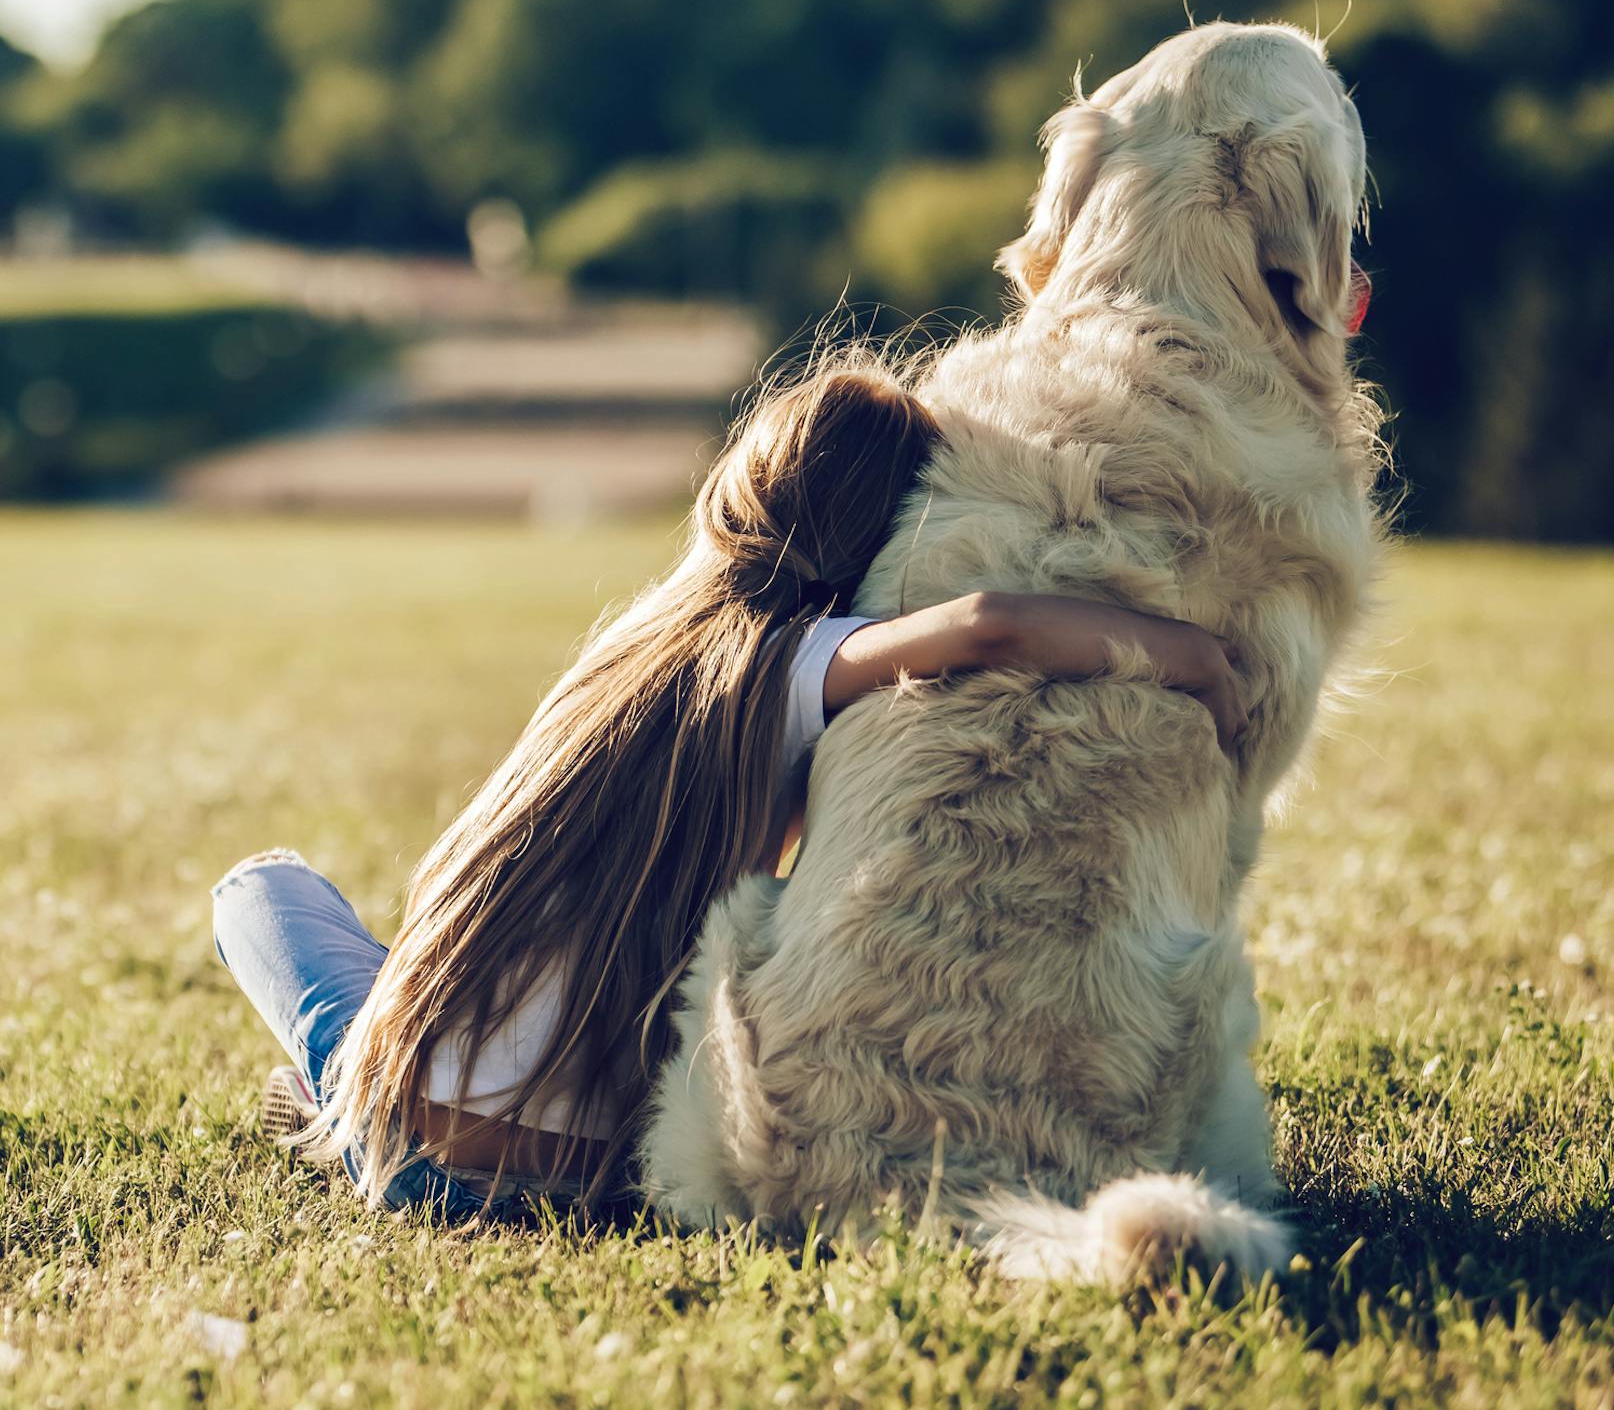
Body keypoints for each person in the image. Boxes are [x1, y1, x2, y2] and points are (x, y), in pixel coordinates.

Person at [210, 359, 1244, 1221]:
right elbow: (987, 623)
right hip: (596, 1176)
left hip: (416, 1153)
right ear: (880, 531)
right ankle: (335, 1092)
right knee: (413, 996)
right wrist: (1193, 657)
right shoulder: (798, 666)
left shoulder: (636, 652)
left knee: (261, 891)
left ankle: (333, 1097)